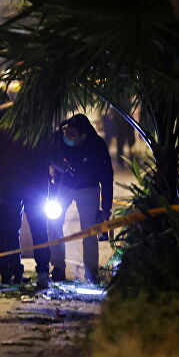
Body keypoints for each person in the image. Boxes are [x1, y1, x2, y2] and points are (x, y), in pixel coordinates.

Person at [0, 103, 52, 287]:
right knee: (39, 228)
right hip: (34, 183)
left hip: (8, 182)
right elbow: (47, 150)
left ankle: (12, 271)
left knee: (10, 229)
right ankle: (43, 271)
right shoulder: (37, 119)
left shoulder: (1, 118)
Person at [48, 114, 114, 283]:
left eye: (72, 135)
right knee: (53, 224)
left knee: (89, 230)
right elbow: (47, 155)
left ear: (83, 136)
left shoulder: (96, 145)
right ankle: (58, 266)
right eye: (66, 132)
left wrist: (105, 209)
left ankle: (91, 271)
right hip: (63, 188)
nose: (67, 137)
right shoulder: (58, 139)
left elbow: (107, 177)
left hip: (89, 189)